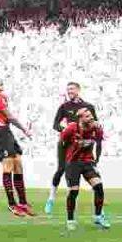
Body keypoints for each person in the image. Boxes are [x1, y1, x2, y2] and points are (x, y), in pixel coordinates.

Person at [0, 70, 34, 217]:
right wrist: (25, 130)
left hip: (6, 132)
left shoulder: (1, 97)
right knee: (9, 165)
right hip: (1, 133)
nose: (1, 80)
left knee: (18, 163)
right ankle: (12, 204)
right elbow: (9, 117)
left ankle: (23, 202)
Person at [45, 82, 97, 215]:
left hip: (83, 145)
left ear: (78, 90)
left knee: (91, 171)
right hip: (66, 143)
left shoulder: (88, 107)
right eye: (68, 89)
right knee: (61, 169)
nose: (70, 91)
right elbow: (55, 124)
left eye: (72, 89)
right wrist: (66, 130)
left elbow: (95, 124)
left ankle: (99, 209)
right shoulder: (64, 106)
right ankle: (51, 198)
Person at [60, 108, 108, 231]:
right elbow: (62, 142)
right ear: (80, 118)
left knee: (99, 187)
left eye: (91, 115)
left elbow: (99, 144)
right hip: (73, 163)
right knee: (73, 192)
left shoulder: (96, 128)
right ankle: (70, 220)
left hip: (88, 162)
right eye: (87, 116)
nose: (91, 118)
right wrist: (65, 162)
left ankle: (98, 217)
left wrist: (96, 160)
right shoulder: (72, 128)